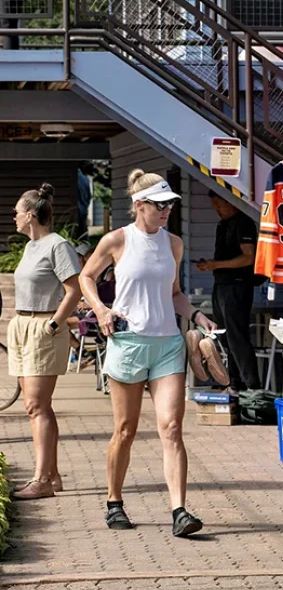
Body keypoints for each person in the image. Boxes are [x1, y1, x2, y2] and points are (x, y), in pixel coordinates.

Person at [80, 169, 216, 536]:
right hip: (128, 344)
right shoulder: (116, 240)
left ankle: (180, 511)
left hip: (168, 344)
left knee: (171, 428)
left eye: (170, 205)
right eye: (159, 206)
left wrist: (196, 314)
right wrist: (101, 310)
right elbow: (86, 277)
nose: (166, 211)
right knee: (125, 430)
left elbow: (174, 293)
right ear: (139, 206)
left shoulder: (173, 243)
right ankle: (114, 502)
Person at [8, 184, 81, 500]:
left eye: (16, 212)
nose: (13, 217)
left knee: (36, 405)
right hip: (23, 325)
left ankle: (41, 480)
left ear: (30, 215)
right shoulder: (30, 247)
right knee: (36, 406)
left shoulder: (58, 246)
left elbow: (74, 290)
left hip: (44, 326)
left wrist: (54, 324)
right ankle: (52, 475)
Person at [195, 191, 260, 391]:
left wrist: (216, 264)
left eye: (219, 205)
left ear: (230, 202)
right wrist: (211, 265)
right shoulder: (222, 225)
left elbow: (249, 257)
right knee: (223, 335)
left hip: (238, 284)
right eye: (214, 206)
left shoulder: (244, 222)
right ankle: (233, 381)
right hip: (220, 284)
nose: (217, 210)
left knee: (237, 336)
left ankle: (252, 386)